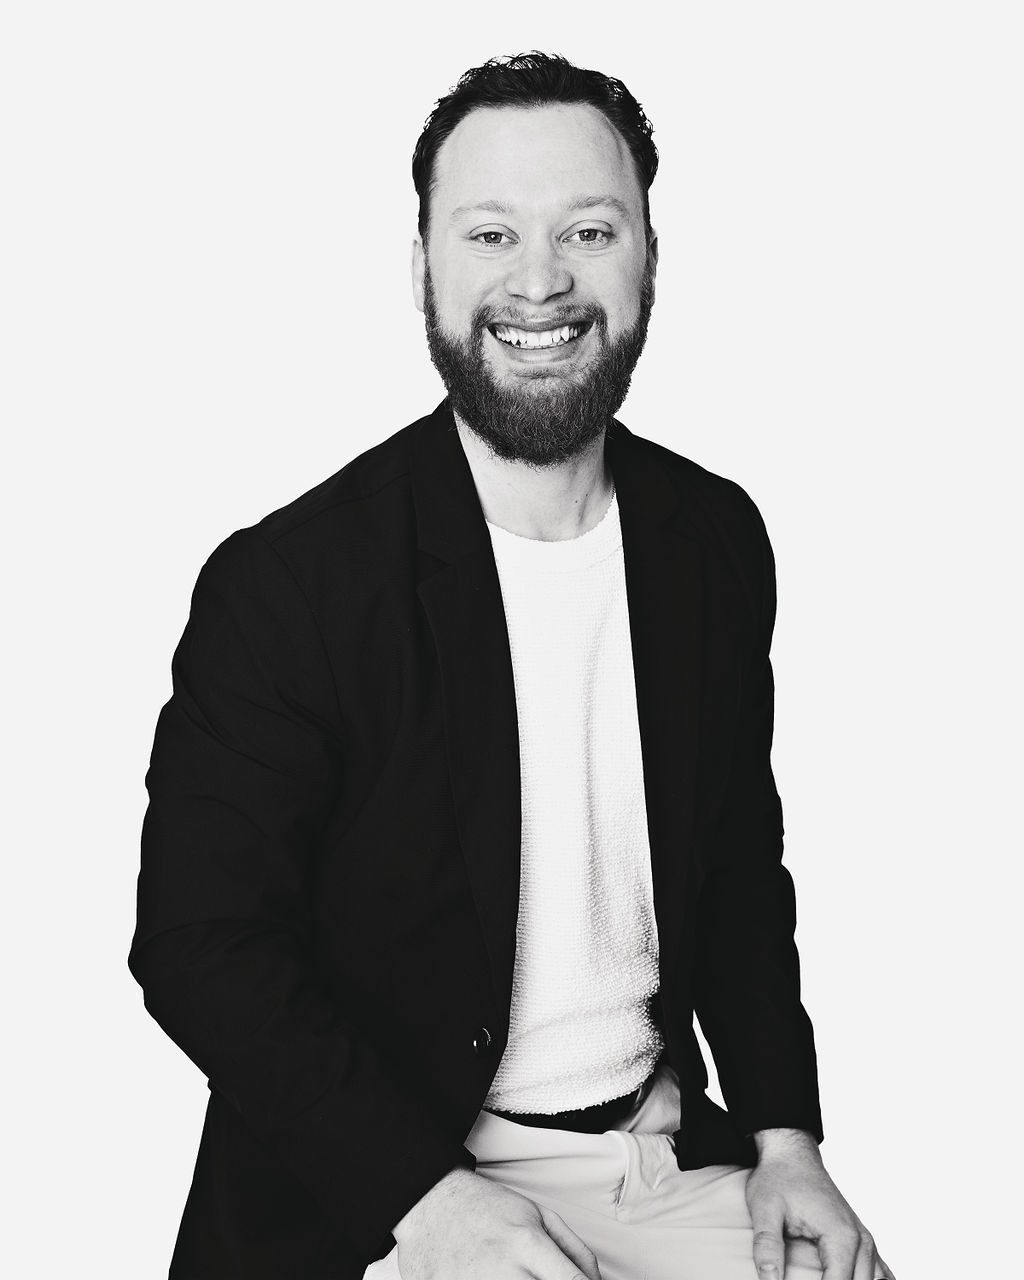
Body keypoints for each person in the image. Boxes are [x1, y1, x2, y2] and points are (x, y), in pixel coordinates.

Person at [129, 52, 894, 1280]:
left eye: (588, 230)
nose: (540, 281)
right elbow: (199, 943)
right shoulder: (292, 584)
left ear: (649, 253)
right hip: (391, 1187)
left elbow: (740, 862)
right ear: (424, 264)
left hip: (653, 1159)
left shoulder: (711, 538)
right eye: (490, 233)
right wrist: (427, 1203)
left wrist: (785, 1135)